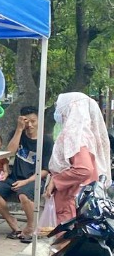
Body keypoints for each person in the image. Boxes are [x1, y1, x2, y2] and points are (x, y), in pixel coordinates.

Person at [45, 92, 111, 224]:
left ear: (70, 108)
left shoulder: (75, 136)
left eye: (59, 107)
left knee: (65, 241)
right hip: (79, 198)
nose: (58, 111)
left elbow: (84, 169)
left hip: (71, 198)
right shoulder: (87, 135)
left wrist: (56, 180)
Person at [0, 106, 52, 243]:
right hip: (14, 177)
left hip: (34, 179)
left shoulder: (46, 141)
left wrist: (26, 182)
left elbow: (45, 170)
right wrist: (19, 129)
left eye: (33, 121)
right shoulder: (18, 133)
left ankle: (30, 227)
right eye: (26, 121)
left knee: (23, 194)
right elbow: (10, 152)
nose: (29, 125)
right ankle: (14, 225)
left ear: (39, 120)